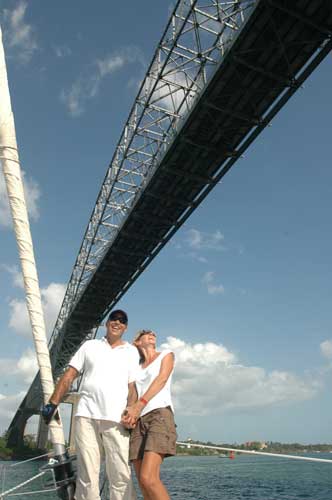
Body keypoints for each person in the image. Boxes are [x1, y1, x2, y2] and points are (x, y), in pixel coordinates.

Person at [42, 309, 139, 500]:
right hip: (86, 415)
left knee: (120, 473)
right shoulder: (89, 346)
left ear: (125, 327)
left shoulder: (131, 352)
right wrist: (52, 403)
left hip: (116, 418)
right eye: (113, 318)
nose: (117, 322)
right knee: (87, 473)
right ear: (107, 323)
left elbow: (132, 387)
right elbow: (70, 374)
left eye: (122, 320)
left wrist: (132, 409)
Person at [121, 329, 176, 500]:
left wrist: (139, 406)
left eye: (153, 333)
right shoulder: (136, 368)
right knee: (142, 483)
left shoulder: (166, 354)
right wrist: (129, 413)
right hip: (139, 421)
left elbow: (162, 379)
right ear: (137, 342)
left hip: (159, 414)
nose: (152, 333)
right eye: (146, 333)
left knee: (149, 478)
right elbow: (133, 395)